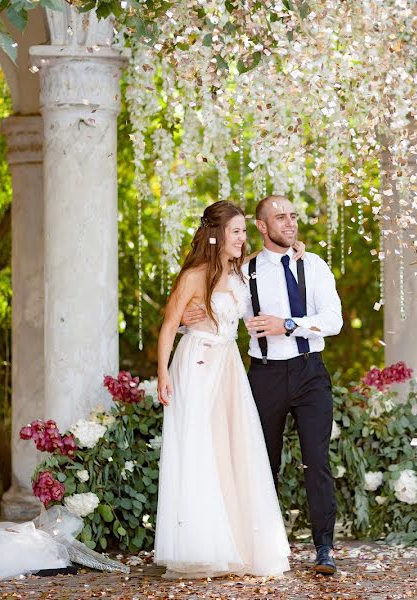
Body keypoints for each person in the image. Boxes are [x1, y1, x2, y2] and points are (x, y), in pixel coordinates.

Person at [181, 195, 343, 575]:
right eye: (280, 217)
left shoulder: (313, 264)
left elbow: (333, 318)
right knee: (260, 462)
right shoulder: (243, 269)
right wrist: (192, 314)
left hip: (310, 373)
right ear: (262, 226)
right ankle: (264, 547)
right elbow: (214, 298)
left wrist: (289, 324)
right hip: (264, 374)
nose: (289, 223)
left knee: (316, 461)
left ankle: (324, 549)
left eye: (292, 216)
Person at [154, 200, 296, 578]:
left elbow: (271, 259)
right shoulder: (193, 276)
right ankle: (205, 546)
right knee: (204, 449)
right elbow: (169, 326)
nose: (241, 238)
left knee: (234, 449)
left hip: (230, 365)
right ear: (216, 234)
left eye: (244, 232)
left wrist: (295, 248)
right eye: (235, 232)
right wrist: (163, 375)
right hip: (198, 363)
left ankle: (238, 543)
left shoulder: (239, 271)